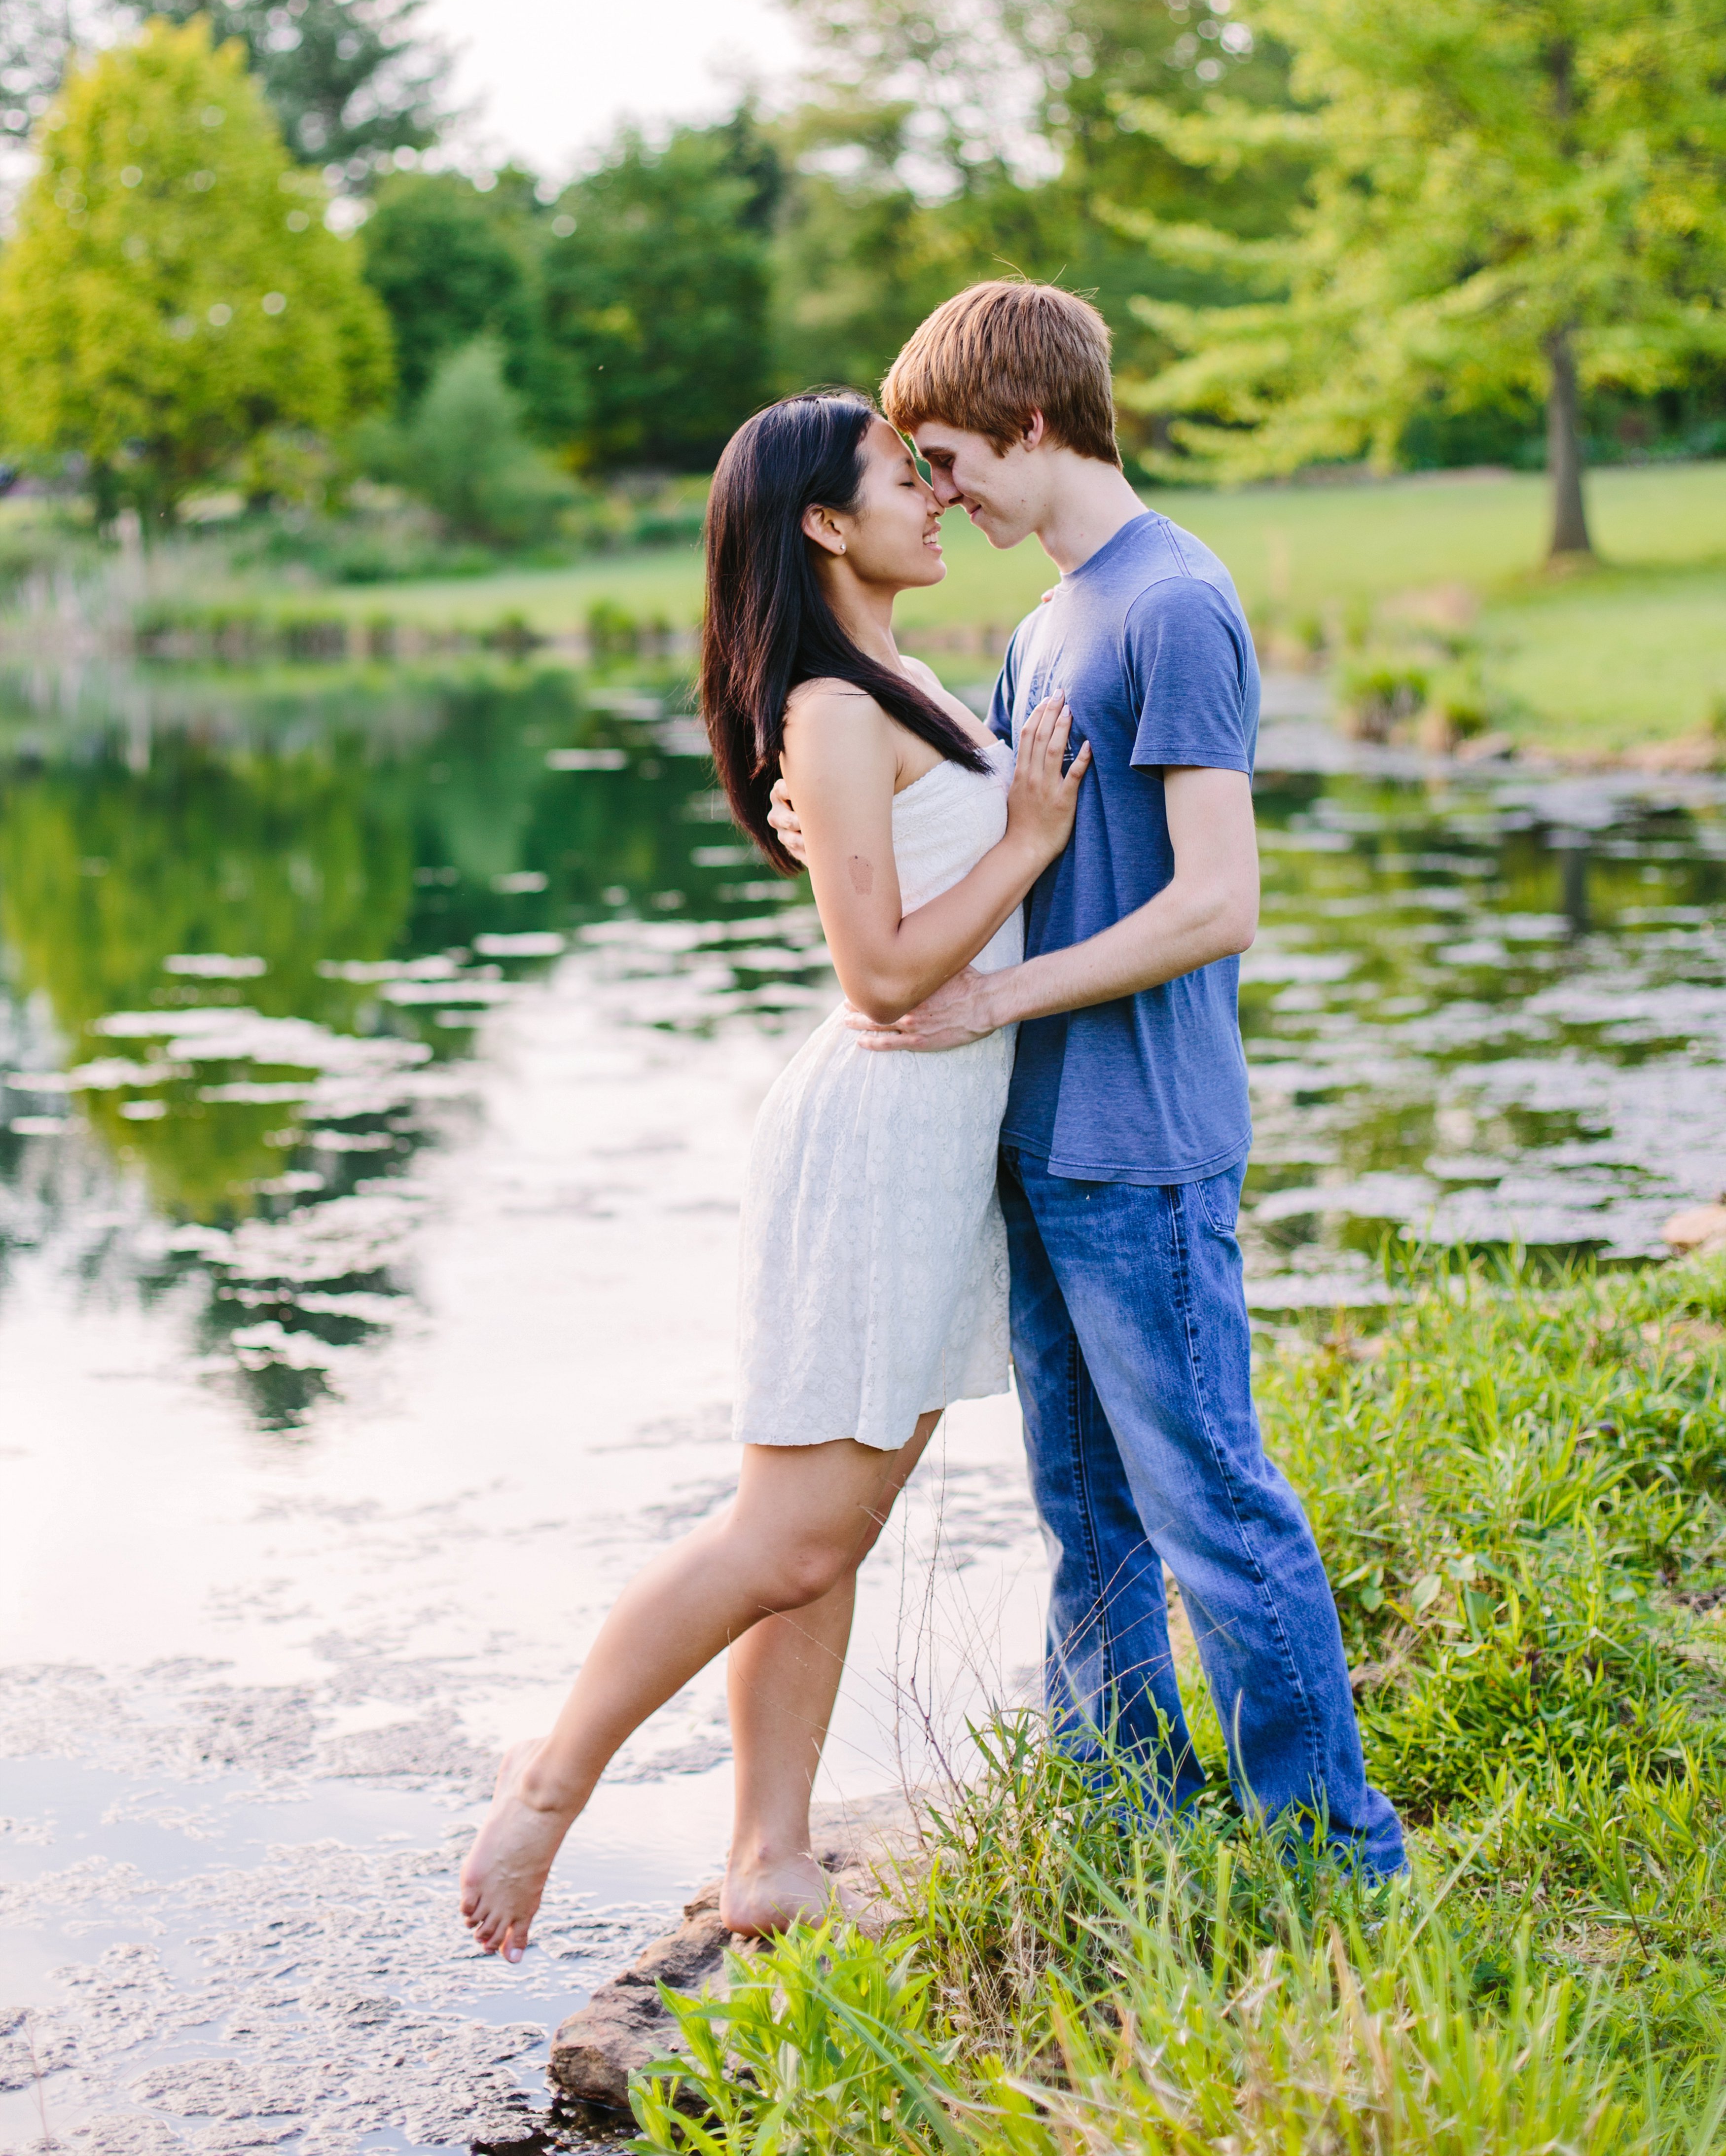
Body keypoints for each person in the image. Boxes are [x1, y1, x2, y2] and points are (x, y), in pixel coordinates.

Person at [770, 283, 1406, 1876]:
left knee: (1212, 1507)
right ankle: (1133, 1823)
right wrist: (829, 837)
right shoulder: (1045, 622)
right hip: (1036, 1135)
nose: (935, 492)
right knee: (1088, 1517)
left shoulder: (1170, 603)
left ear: (1032, 425)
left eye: (946, 456)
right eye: (910, 468)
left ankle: (1336, 1854)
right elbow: (993, 846)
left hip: (1144, 1139)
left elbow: (1215, 900)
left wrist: (994, 990)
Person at [459, 390, 1090, 1961]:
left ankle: (767, 1855)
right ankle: (549, 1777)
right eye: (902, 478)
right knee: (788, 1535)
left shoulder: (896, 677)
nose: (933, 498)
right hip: (877, 1130)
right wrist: (1022, 840)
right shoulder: (829, 703)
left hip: (937, 1138)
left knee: (831, 1522)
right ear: (823, 519)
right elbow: (877, 973)